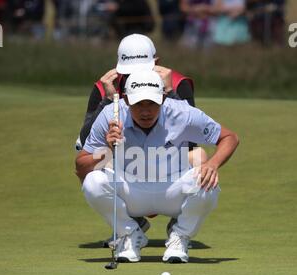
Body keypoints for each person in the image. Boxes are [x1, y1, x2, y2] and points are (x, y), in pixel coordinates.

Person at [75, 70, 239, 263]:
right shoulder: (111, 115)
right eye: (138, 104)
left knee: (207, 182)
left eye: (152, 103)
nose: (146, 111)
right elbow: (81, 167)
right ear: (126, 100)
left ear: (162, 98)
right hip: (130, 190)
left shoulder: (182, 113)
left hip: (173, 188)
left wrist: (212, 164)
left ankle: (180, 237)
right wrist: (106, 150)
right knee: (93, 182)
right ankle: (129, 235)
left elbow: (229, 137)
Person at [76, 33, 205, 246]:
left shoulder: (177, 83)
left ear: (156, 64)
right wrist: (107, 101)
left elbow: (191, 140)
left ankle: (179, 223)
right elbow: (86, 139)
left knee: (198, 156)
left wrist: (170, 94)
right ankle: (130, 223)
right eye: (127, 73)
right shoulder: (105, 86)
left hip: (167, 160)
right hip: (125, 160)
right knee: (88, 161)